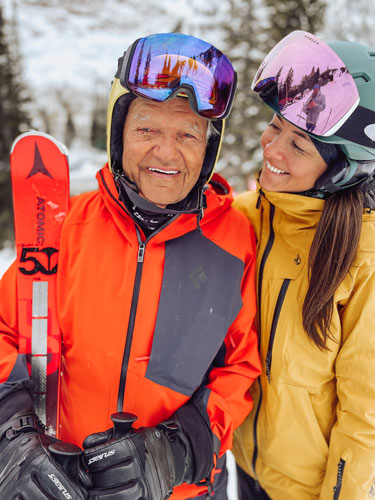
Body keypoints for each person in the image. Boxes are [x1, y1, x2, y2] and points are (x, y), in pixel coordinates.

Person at [0, 33, 261, 499]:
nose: (165, 152)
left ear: (209, 146)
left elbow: (241, 367)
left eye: (187, 134)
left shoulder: (235, 242)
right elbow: (4, 328)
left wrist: (180, 448)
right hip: (58, 484)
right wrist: (11, 435)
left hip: (182, 491)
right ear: (118, 132)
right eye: (147, 129)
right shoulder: (65, 228)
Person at [231, 30, 375, 499]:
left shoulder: (363, 259)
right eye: (276, 126)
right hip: (243, 464)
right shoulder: (248, 216)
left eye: (299, 145)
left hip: (311, 489)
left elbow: (366, 416)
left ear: (343, 168)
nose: (271, 149)